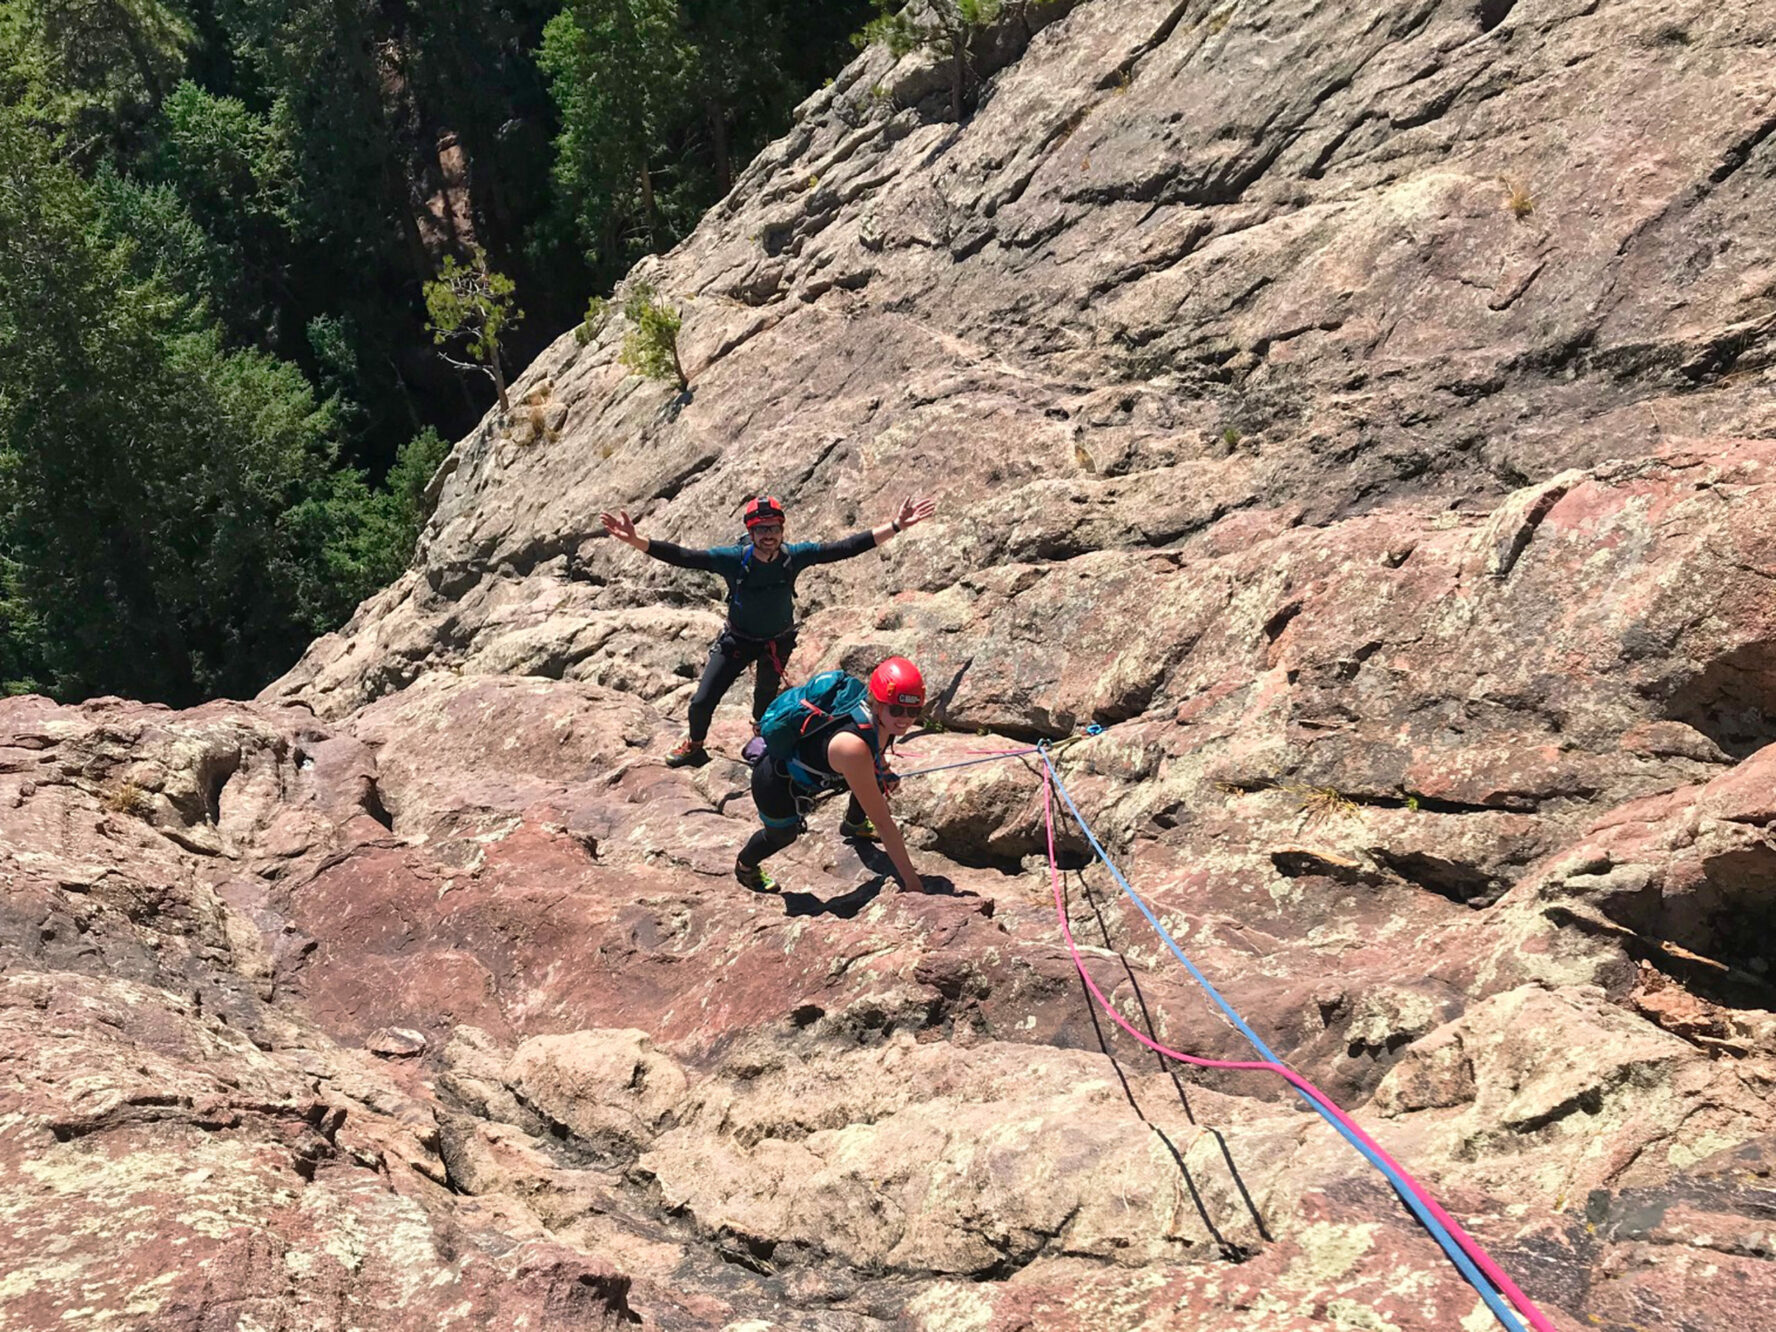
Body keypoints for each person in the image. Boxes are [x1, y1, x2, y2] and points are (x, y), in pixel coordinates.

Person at [600, 494, 937, 767]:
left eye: (774, 527)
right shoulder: (734, 559)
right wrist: (637, 541)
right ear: (750, 532)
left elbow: (844, 548)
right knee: (702, 702)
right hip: (738, 640)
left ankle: (763, 739)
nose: (768, 535)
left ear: (782, 529)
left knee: (765, 700)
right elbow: (686, 556)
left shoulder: (794, 557)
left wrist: (896, 526)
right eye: (761, 529)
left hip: (777, 642)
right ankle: (695, 744)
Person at [736, 656, 927, 894]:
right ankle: (745, 866)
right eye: (897, 709)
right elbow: (883, 822)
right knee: (782, 836)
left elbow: (875, 754)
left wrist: (884, 771)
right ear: (878, 704)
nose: (905, 718)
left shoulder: (880, 720)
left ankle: (854, 825)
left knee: (876, 779)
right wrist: (913, 884)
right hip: (777, 785)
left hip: (819, 773)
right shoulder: (853, 747)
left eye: (914, 711)